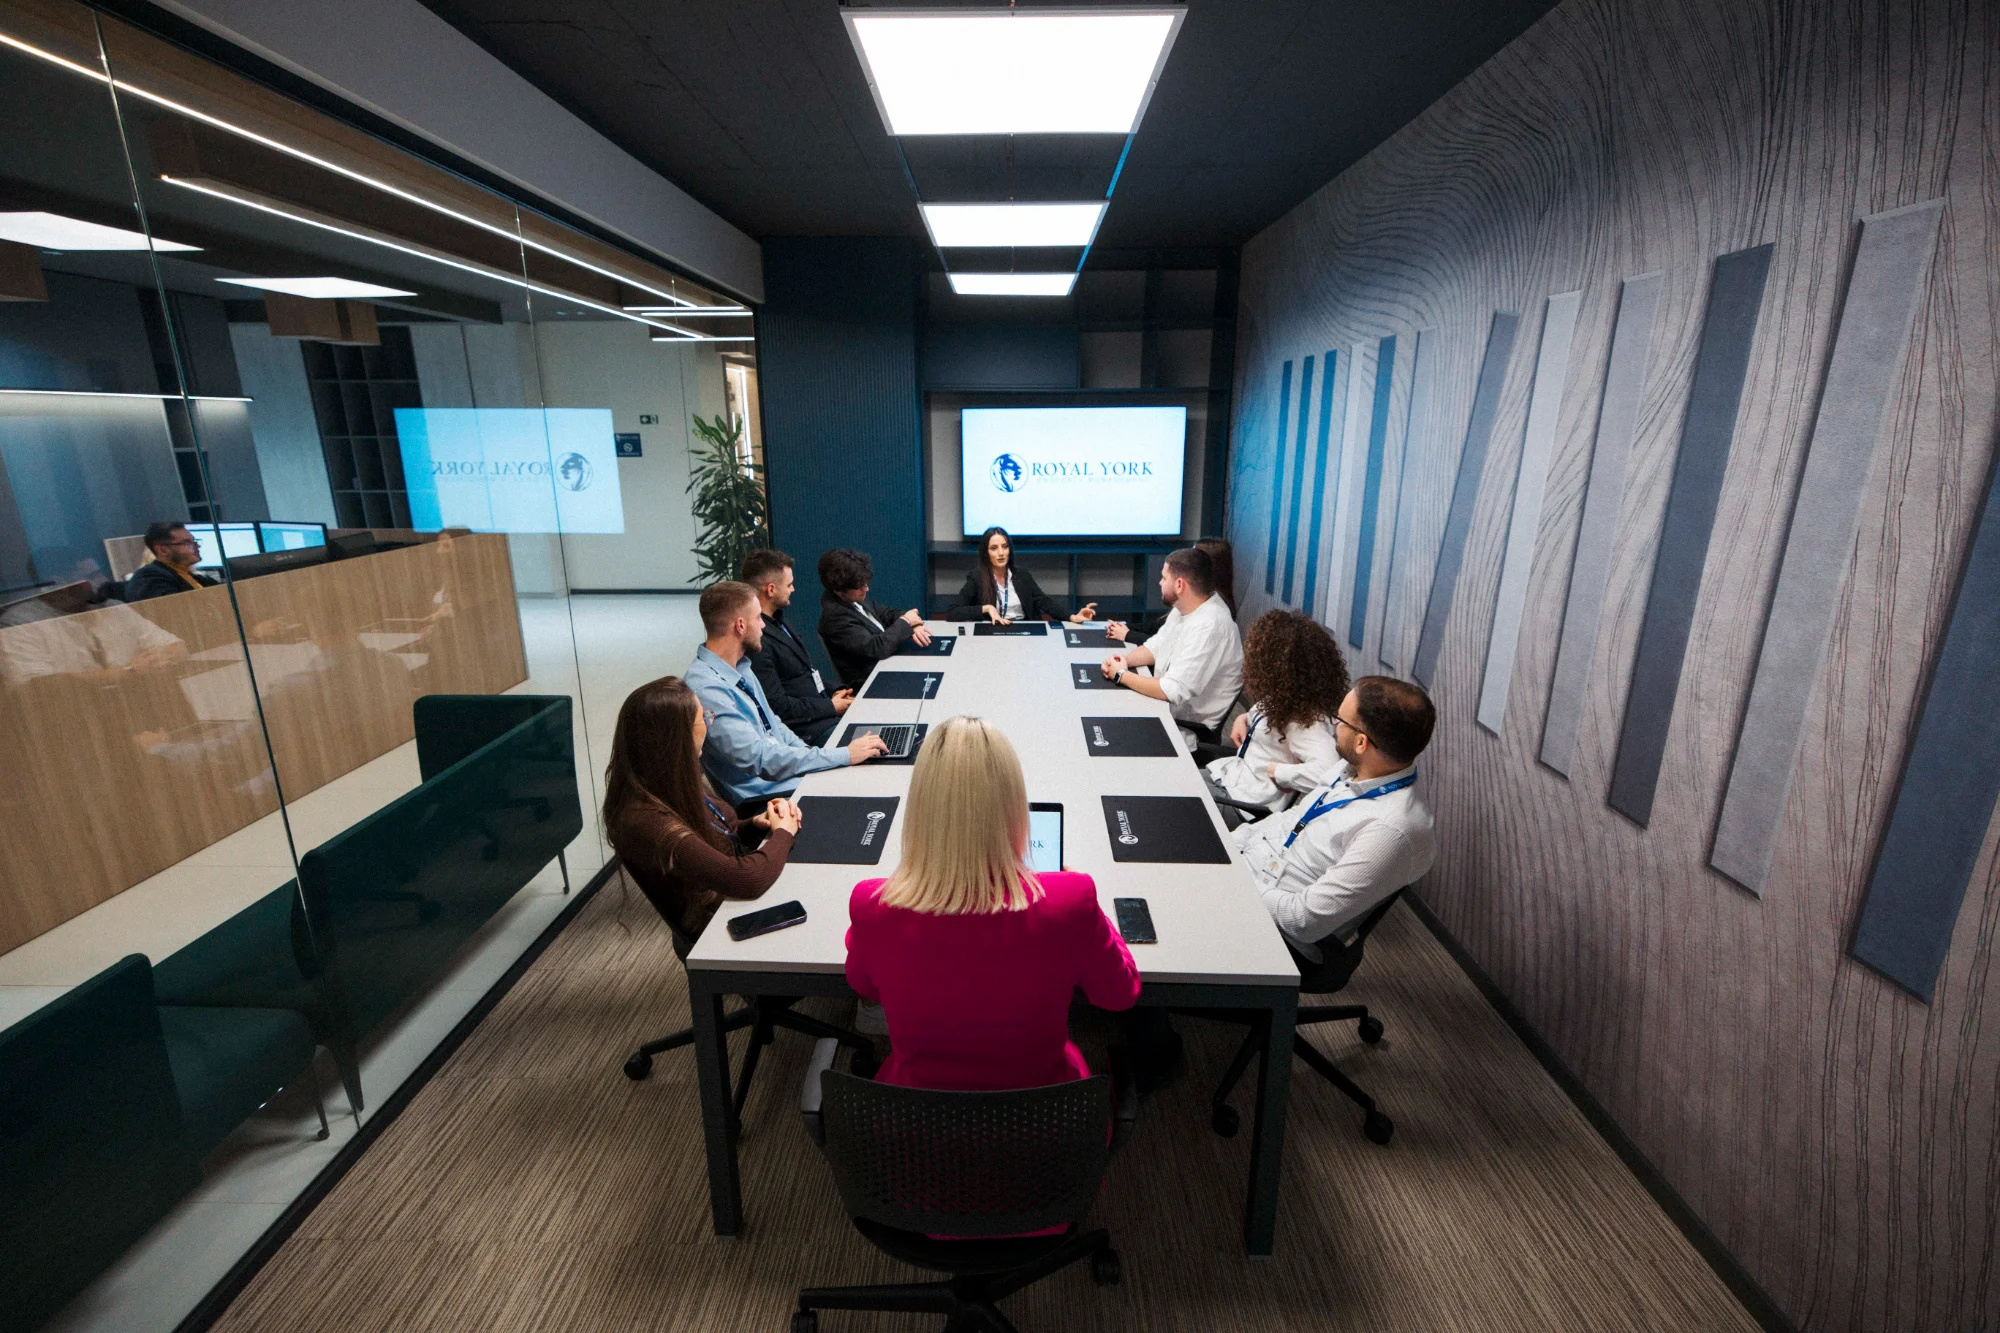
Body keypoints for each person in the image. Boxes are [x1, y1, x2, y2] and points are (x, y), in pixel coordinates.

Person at [845, 715, 1140, 1091]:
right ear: (1016, 810)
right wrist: (1087, 906)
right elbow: (1120, 993)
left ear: (921, 811)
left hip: (918, 1129)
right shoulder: (1070, 900)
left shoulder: (872, 904)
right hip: (1046, 1120)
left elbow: (865, 986)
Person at [1235, 676, 1437, 963]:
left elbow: (1301, 921)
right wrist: (1229, 845)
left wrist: (1235, 879)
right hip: (1253, 875)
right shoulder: (1351, 768)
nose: (1333, 727)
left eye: (1339, 721)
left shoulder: (1390, 830)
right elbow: (1294, 819)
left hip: (1276, 933)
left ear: (1360, 742)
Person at [603, 675, 804, 941]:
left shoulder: (665, 781)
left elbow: (711, 837)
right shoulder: (645, 821)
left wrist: (753, 824)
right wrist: (784, 833)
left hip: (728, 901)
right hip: (718, 932)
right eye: (704, 718)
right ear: (676, 737)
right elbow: (745, 880)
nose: (709, 725)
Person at [686, 580, 887, 815]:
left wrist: (813, 759)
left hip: (787, 779)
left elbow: (774, 724)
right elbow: (760, 758)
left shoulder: (741, 666)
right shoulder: (707, 689)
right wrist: (842, 755)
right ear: (740, 625)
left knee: (872, 771)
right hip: (765, 799)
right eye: (758, 618)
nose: (763, 626)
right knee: (870, 790)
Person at [1205, 609, 1347, 821]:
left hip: (1242, 805)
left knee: (1168, 794)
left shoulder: (1304, 721)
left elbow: (1328, 771)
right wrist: (1242, 719)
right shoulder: (1285, 697)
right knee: (1168, 778)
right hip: (1229, 777)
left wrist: (1279, 772)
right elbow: (1263, 721)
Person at [1099, 545, 1244, 743]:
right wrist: (1124, 659)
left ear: (1180, 585)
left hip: (1182, 730)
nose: (1159, 582)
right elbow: (1156, 646)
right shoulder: (1186, 606)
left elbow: (1171, 690)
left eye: (1164, 578)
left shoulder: (1211, 625)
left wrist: (1121, 675)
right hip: (1163, 708)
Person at [740, 548, 850, 746]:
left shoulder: (780, 622)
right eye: (789, 585)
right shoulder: (758, 641)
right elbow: (779, 707)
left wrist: (836, 691)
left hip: (823, 714)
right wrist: (830, 707)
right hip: (807, 732)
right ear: (771, 589)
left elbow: (805, 674)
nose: (793, 589)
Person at [816, 548, 933, 690]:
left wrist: (913, 624)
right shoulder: (835, 618)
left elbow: (888, 613)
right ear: (839, 590)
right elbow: (877, 648)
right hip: (873, 683)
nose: (866, 589)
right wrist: (907, 622)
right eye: (860, 587)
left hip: (890, 665)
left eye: (865, 583)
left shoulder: (853, 599)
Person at [943, 526, 1095, 624]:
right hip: (991, 635)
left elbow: (1045, 602)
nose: (1001, 553)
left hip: (1024, 632)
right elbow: (952, 612)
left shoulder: (1022, 575)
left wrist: (1072, 617)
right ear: (986, 553)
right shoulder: (977, 578)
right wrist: (986, 608)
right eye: (994, 548)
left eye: (1005, 547)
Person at [1106, 537, 1233, 646]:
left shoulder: (1212, 619)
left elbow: (1170, 648)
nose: (1160, 582)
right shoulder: (1189, 603)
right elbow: (1159, 634)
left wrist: (1128, 635)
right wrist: (1125, 627)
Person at [124, 522, 219, 601]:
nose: (197, 546)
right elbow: (176, 611)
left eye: (194, 541)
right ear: (163, 550)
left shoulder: (194, 577)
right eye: (187, 542)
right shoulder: (150, 577)